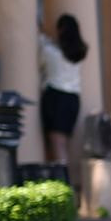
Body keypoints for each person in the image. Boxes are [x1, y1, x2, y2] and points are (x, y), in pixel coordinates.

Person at [39, 14, 87, 166]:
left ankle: (63, 185)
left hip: (56, 98)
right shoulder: (78, 53)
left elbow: (42, 60)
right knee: (61, 145)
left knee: (57, 147)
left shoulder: (50, 52)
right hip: (73, 99)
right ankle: (62, 183)